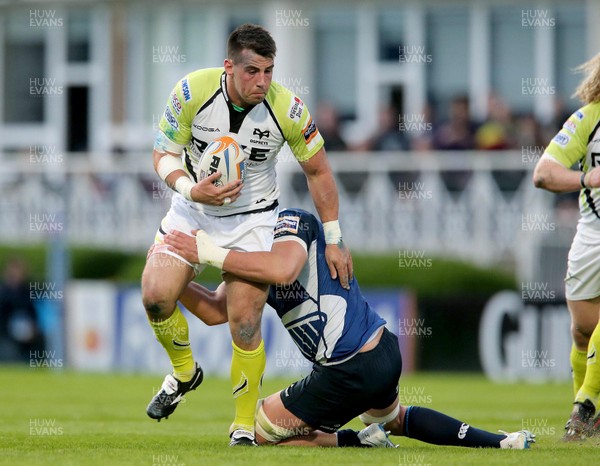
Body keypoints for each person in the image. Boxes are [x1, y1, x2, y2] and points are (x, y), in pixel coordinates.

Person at [162, 208, 535, 449]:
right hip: (382, 352)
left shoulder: (291, 223)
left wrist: (208, 254)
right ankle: (501, 443)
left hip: (349, 368)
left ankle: (357, 442)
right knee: (394, 418)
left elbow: (284, 270)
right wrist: (170, 283)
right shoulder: (246, 264)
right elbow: (213, 310)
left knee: (257, 431)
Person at [142, 23, 352, 447]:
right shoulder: (191, 92)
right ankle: (185, 372)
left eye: (269, 71)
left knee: (243, 322)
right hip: (193, 208)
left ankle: (242, 426)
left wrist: (333, 237)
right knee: (155, 295)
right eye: (252, 71)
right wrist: (190, 188)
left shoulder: (288, 109)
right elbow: (162, 154)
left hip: (253, 219)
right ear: (229, 67)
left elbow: (319, 171)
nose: (262, 82)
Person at [533, 52, 600, 441]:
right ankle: (588, 411)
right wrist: (588, 177)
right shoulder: (587, 118)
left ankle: (585, 407)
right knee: (582, 332)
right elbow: (543, 174)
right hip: (591, 232)